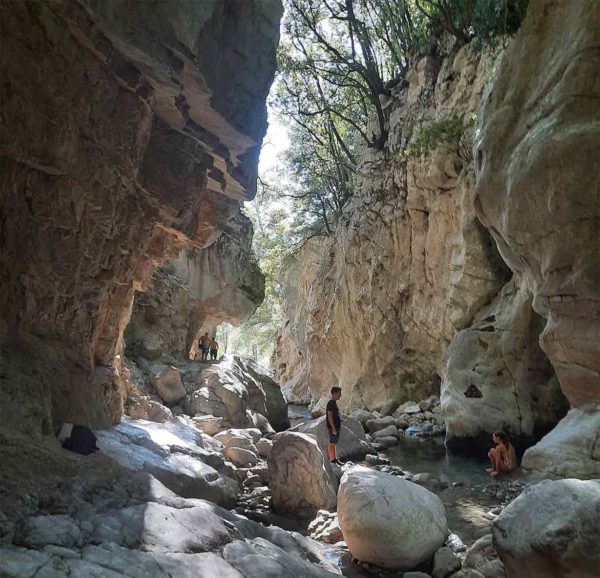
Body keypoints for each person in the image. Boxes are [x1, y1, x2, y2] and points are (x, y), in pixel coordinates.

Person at [326, 386, 342, 465]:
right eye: (339, 393)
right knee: (332, 443)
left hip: (335, 426)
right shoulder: (330, 403)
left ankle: (334, 459)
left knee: (334, 443)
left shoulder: (334, 403)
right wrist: (333, 428)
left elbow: (336, 415)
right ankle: (332, 460)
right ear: (335, 394)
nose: (340, 395)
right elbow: (329, 416)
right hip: (333, 427)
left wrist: (342, 421)